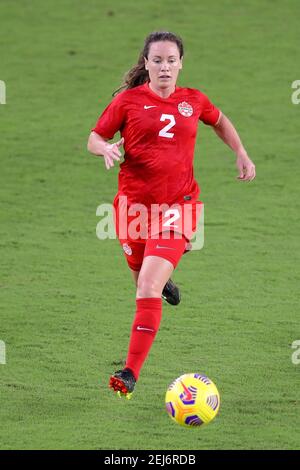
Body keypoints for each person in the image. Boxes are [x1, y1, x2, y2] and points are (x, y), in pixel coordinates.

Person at [87, 31, 255, 399]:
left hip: (179, 207)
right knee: (143, 283)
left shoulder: (193, 100)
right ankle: (164, 284)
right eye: (157, 60)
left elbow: (220, 120)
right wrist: (104, 149)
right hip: (132, 210)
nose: (165, 66)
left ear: (181, 63)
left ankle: (129, 372)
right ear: (145, 63)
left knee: (145, 287)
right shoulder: (128, 102)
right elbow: (94, 137)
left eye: (171, 60)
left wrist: (240, 151)